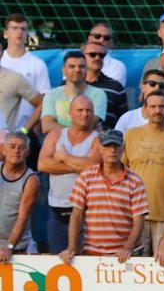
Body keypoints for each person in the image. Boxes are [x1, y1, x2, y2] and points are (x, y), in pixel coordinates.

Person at [59, 129, 148, 264]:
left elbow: (139, 220)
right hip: (92, 253)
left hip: (125, 256)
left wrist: (127, 248)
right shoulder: (86, 176)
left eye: (116, 146)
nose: (112, 150)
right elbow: (76, 215)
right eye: (107, 146)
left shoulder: (135, 181)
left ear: (122, 149)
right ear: (100, 149)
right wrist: (72, 248)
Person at [122, 91, 164, 256]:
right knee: (136, 267)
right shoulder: (131, 136)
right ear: (145, 110)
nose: (157, 110)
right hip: (135, 215)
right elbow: (121, 173)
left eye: (161, 106)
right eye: (152, 106)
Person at [38, 95, 102, 253]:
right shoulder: (56, 135)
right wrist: (78, 166)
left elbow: (94, 166)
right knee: (57, 261)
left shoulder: (98, 139)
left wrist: (64, 157)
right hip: (57, 209)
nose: (84, 114)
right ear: (70, 113)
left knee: (86, 263)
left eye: (88, 111)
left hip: (88, 213)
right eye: (80, 110)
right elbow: (43, 164)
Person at [1, 14, 51, 131]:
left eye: (23, 29)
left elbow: (44, 102)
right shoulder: (1, 61)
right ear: (5, 33)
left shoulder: (37, 64)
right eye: (14, 28)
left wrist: (27, 130)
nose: (19, 32)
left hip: (24, 131)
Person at [41, 51, 107, 133]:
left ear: (86, 70)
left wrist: (58, 128)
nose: (77, 70)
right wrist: (77, 131)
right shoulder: (51, 95)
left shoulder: (98, 95)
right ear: (63, 70)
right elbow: (47, 126)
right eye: (72, 66)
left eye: (82, 66)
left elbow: (89, 124)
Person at [0, 133, 39, 262]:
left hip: (14, 247)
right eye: (12, 146)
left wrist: (9, 246)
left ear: (27, 152)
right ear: (3, 150)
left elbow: (23, 218)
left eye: (21, 147)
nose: (16, 150)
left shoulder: (31, 179)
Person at [114, 69, 164, 134]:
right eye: (152, 84)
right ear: (143, 87)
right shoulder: (127, 118)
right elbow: (116, 142)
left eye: (162, 85)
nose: (157, 87)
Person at [82, 40, 128, 130]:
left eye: (101, 55)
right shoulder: (69, 86)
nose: (97, 58)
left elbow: (124, 120)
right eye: (92, 54)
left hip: (107, 140)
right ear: (82, 57)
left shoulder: (116, 87)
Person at [0, 38, 43, 134]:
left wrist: (24, 131)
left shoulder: (14, 78)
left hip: (5, 144)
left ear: (2, 53)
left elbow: (42, 103)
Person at [88, 21, 127, 86]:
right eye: (97, 36)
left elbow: (112, 92)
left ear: (111, 42)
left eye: (106, 38)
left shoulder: (117, 66)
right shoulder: (76, 62)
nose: (101, 40)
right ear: (89, 38)